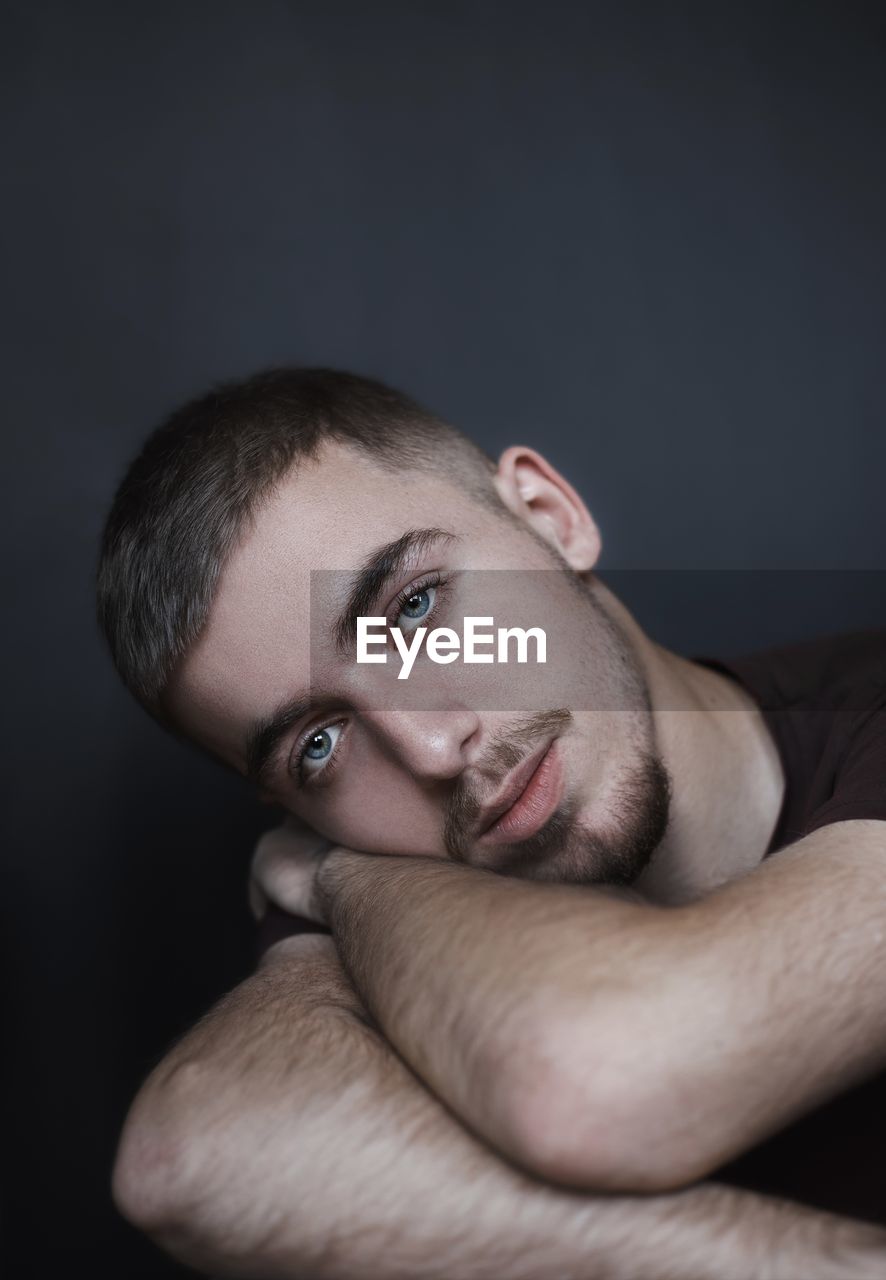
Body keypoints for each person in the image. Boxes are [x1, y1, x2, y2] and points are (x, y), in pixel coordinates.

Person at [98, 368, 886, 1278]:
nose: (432, 748)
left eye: (416, 607)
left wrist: (332, 877)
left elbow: (603, 1077)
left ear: (551, 517)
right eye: (320, 743)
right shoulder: (374, 878)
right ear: (292, 810)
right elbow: (186, 1163)